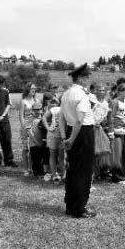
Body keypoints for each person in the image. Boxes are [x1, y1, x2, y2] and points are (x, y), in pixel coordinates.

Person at [59, 63, 96, 218]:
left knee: (73, 169)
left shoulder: (66, 94)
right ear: (80, 78)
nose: (88, 80)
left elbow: (61, 119)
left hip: (70, 131)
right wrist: (72, 139)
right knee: (84, 171)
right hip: (82, 133)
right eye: (87, 77)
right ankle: (79, 208)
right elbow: (80, 121)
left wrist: (65, 138)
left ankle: (71, 204)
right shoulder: (81, 94)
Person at [0, 75, 17, 167]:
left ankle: (9, 160)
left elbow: (8, 104)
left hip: (4, 120)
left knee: (7, 140)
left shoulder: (6, 91)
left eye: (2, 83)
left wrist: (3, 115)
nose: (1, 85)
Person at [42, 97, 64, 183]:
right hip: (53, 135)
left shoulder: (66, 109)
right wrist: (48, 128)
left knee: (61, 156)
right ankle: (54, 175)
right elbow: (44, 118)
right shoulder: (54, 109)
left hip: (62, 136)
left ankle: (63, 174)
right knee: (53, 155)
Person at [19, 82, 39, 176]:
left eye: (35, 88)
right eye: (32, 88)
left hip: (35, 126)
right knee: (25, 148)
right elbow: (21, 116)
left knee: (33, 147)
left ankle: (32, 167)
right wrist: (24, 127)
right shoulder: (23, 101)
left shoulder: (37, 100)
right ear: (28, 89)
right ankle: (25, 169)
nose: (34, 90)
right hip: (25, 126)